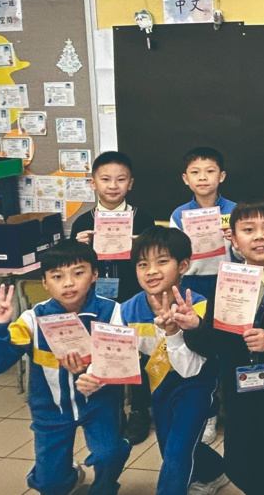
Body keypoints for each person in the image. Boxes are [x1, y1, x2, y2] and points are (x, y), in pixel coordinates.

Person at [0, 240, 130, 494]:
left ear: (94, 275)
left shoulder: (112, 312)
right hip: (51, 410)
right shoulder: (32, 319)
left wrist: (93, 374)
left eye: (78, 273)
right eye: (57, 276)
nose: (68, 283)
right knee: (50, 484)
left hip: (99, 405)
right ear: (44, 282)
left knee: (108, 453)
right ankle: (68, 476)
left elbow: (123, 362)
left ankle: (104, 486)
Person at [78, 227, 228, 495]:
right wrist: (93, 375)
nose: (151, 271)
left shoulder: (198, 305)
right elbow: (111, 353)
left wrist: (174, 332)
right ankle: (215, 471)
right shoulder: (126, 310)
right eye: (142, 264)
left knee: (177, 454)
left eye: (162, 261)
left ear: (183, 266)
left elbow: (191, 368)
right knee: (169, 444)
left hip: (196, 385)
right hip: (159, 386)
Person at [181, 196, 264, 495]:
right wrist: (194, 327)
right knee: (239, 464)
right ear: (234, 239)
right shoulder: (228, 279)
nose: (259, 237)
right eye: (249, 229)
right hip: (240, 389)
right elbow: (212, 342)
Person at [71, 150, 156, 445]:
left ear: (130, 184)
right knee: (105, 353)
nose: (113, 186)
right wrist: (78, 246)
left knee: (139, 353)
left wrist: (142, 246)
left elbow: (154, 260)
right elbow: (74, 266)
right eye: (105, 179)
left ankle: (140, 411)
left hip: (134, 295)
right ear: (92, 183)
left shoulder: (142, 218)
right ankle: (112, 410)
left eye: (121, 179)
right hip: (99, 299)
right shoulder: (83, 222)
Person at [170, 147, 236, 301]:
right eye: (195, 172)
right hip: (190, 280)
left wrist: (235, 240)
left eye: (210, 171)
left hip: (229, 278)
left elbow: (244, 254)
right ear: (186, 179)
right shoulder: (179, 215)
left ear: (221, 176)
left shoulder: (235, 211)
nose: (202, 177)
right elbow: (175, 254)